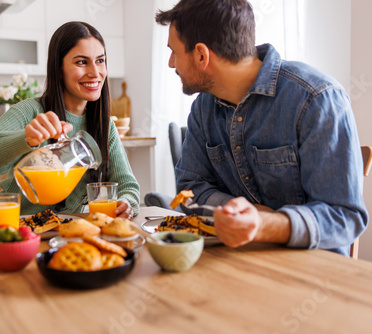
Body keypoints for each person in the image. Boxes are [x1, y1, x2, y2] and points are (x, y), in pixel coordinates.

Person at [155, 0, 367, 255]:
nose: (170, 63)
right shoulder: (203, 108)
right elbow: (190, 186)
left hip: (313, 273)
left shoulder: (317, 99)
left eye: (174, 52)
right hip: (236, 261)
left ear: (201, 55)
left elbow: (345, 216)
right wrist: (240, 211)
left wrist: (269, 225)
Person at [0, 21, 140, 223]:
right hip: (5, 229)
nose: (95, 72)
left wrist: (126, 203)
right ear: (58, 68)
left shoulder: (104, 127)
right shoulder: (31, 112)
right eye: (82, 62)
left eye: (100, 61)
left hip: (57, 235)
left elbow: (128, 187)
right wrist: (26, 138)